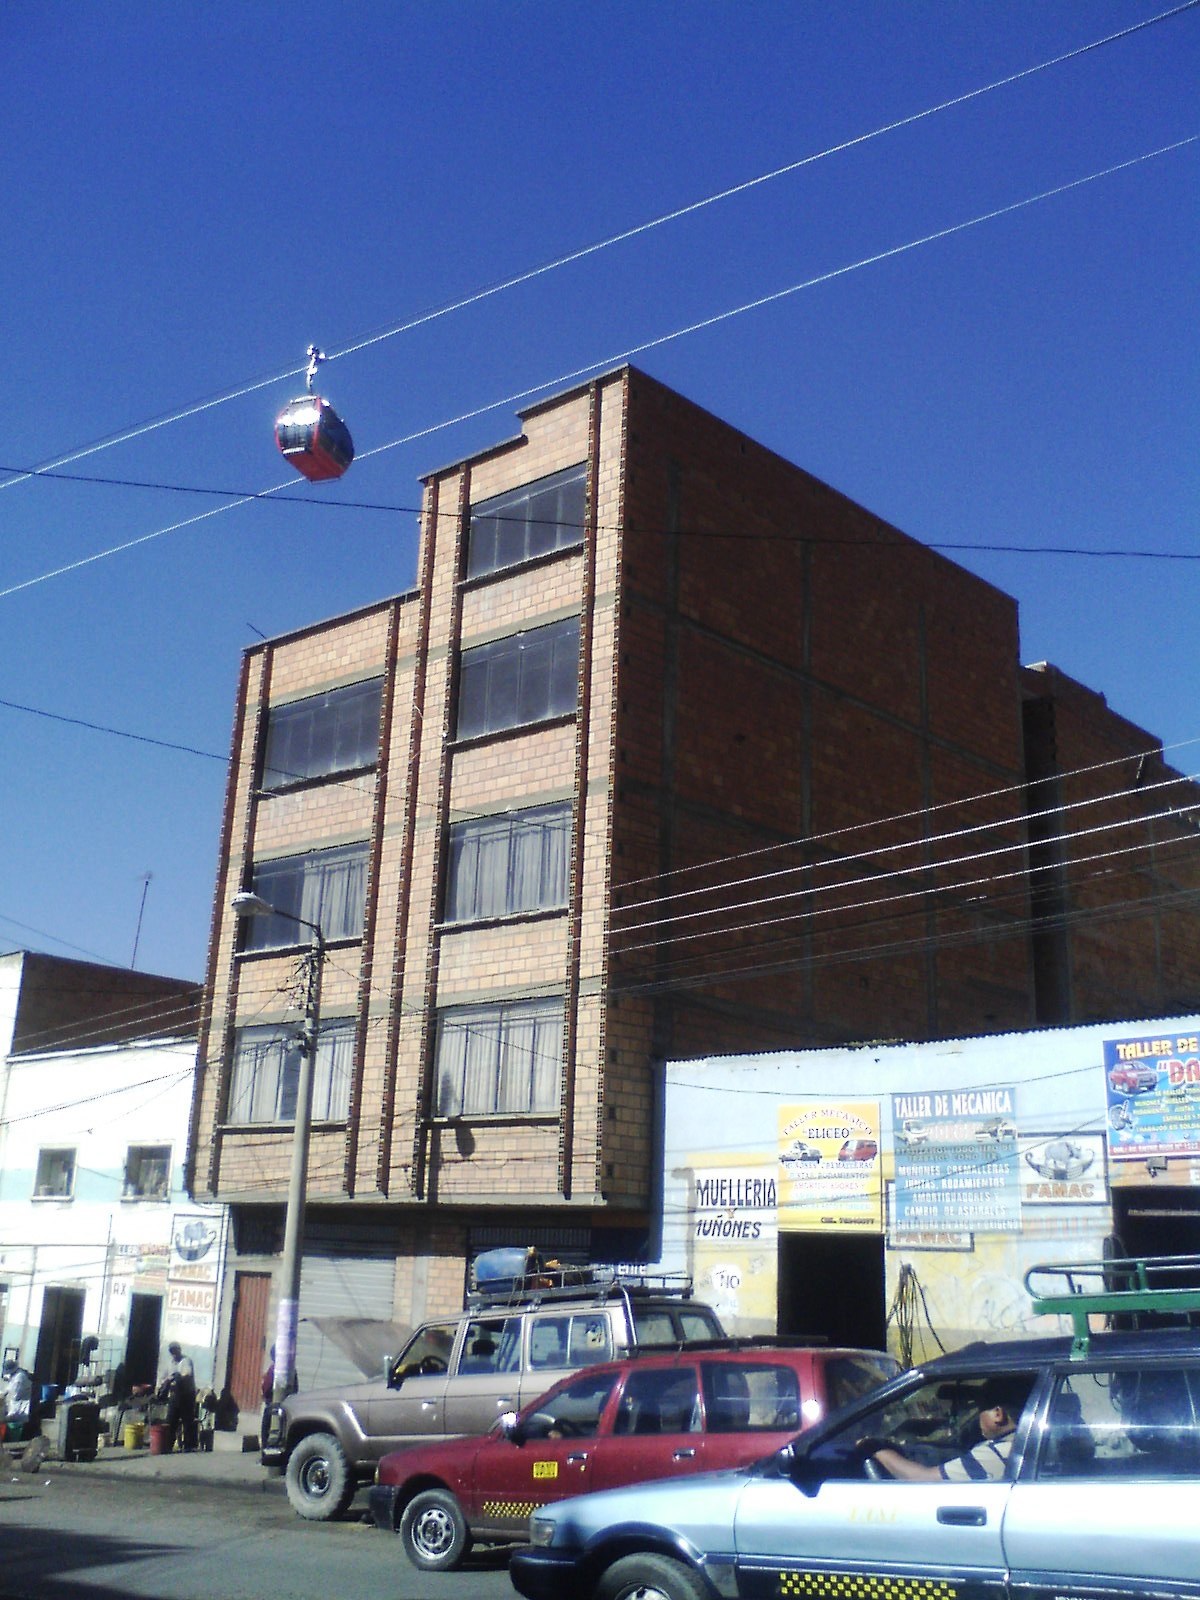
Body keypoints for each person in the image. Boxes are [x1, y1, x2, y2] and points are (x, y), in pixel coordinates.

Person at [861, 1377, 1030, 1483]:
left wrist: (877, 1449)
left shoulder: (1000, 1453)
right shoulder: (1023, 1445)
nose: (978, 1418)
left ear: (998, 1414)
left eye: (980, 1410)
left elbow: (922, 1478)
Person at [158, 1342, 197, 1452]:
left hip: (187, 1395)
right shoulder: (169, 1363)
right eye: (172, 1351)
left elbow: (187, 1374)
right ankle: (168, 1445)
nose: (174, 1353)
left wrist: (177, 1376)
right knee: (171, 1420)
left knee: (187, 1420)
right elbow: (162, 1377)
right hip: (174, 1395)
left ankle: (189, 1446)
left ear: (179, 1350)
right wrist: (166, 1380)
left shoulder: (186, 1361)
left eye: (175, 1351)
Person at [0, 1361, 34, 1442]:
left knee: (13, 1423)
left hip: (20, 1405)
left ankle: (14, 1442)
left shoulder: (20, 1377)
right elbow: (8, 1388)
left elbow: (15, 1394)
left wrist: (4, 1397)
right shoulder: (15, 1375)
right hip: (15, 1405)